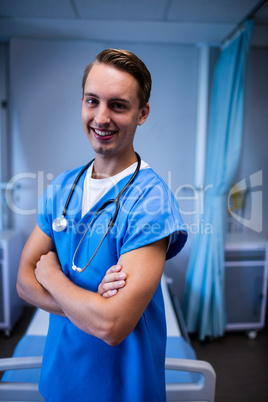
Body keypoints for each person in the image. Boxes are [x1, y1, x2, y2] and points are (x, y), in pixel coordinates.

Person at [17, 48, 187, 402]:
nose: (101, 117)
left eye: (118, 105)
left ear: (143, 114)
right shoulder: (62, 187)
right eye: (92, 101)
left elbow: (112, 326)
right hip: (60, 379)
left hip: (125, 388)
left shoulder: (151, 200)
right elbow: (22, 282)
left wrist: (50, 275)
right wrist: (93, 303)